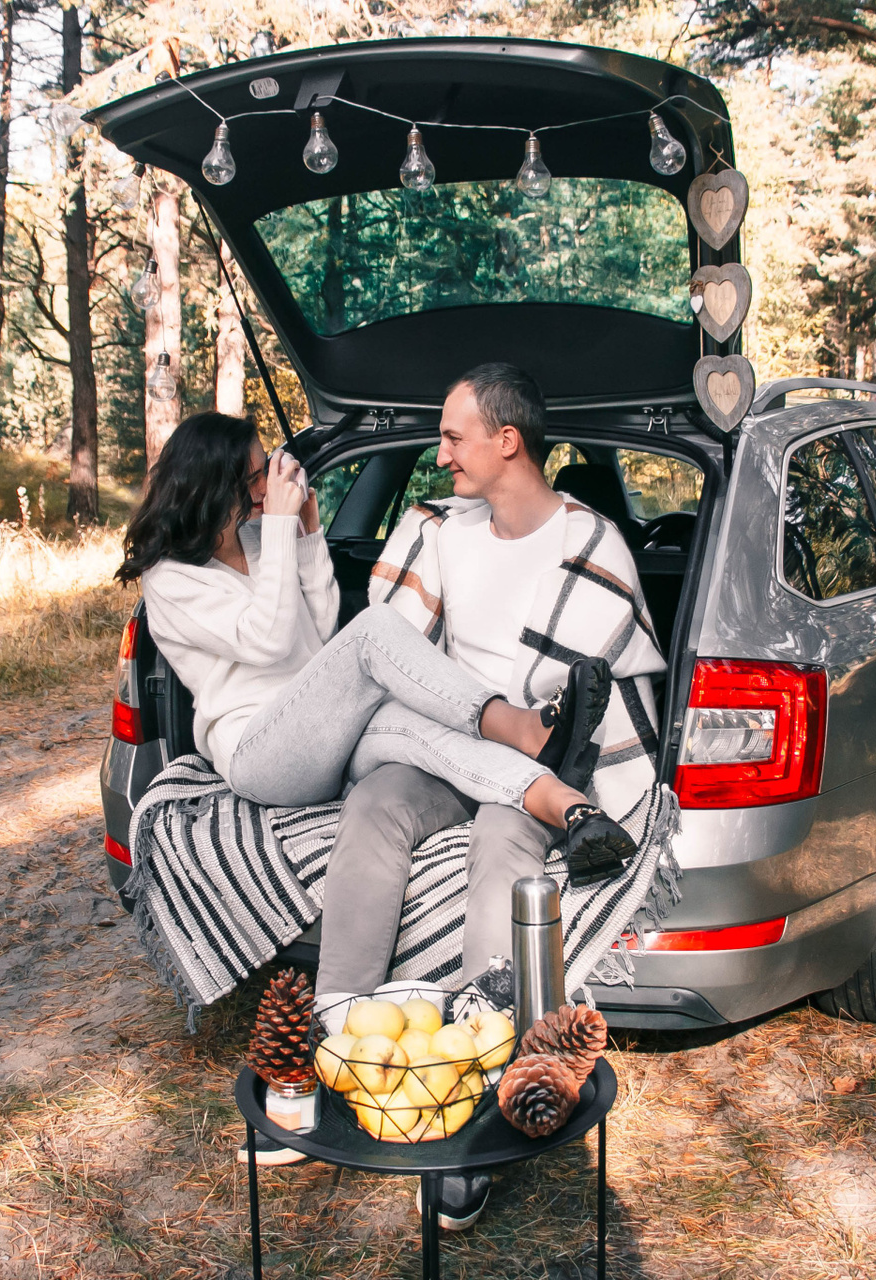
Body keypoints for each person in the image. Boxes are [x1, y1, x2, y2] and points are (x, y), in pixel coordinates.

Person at [315, 363, 667, 1228]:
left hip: (533, 763)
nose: (440, 457)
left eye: (453, 438)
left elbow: (593, 701)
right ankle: (338, 1040)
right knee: (375, 802)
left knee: (505, 838)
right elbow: (398, 654)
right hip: (448, 745)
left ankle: (476, 1089)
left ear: (507, 441)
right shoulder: (440, 533)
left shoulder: (593, 546)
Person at [115, 411, 639, 878]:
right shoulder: (171, 578)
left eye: (264, 470)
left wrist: (306, 535)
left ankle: (568, 807)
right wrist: (277, 526)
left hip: (319, 733)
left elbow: (321, 631)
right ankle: (518, 726)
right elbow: (269, 641)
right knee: (374, 629)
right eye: (255, 476)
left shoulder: (257, 539)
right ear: (215, 484)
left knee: (420, 728)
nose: (265, 485)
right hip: (259, 754)